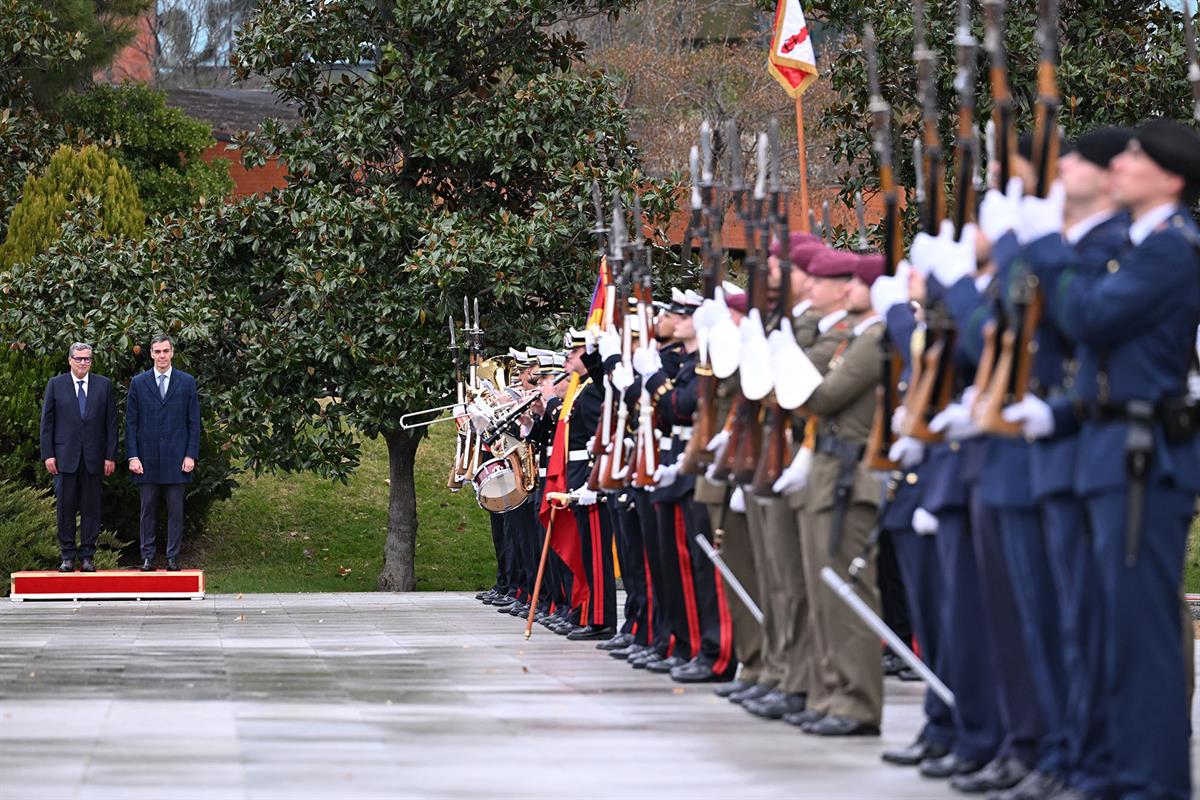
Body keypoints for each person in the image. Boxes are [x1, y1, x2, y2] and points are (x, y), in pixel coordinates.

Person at [39, 342, 117, 573]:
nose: (83, 363)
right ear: (70, 360)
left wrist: (110, 456)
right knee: (65, 508)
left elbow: (111, 424)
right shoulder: (56, 385)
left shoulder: (104, 385)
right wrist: (48, 454)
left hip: (94, 458)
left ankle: (87, 556)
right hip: (64, 458)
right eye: (78, 358)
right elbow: (47, 424)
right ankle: (67, 556)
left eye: (87, 359)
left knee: (91, 508)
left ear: (91, 361)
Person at [126, 334, 201, 571]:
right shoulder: (138, 383)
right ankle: (147, 556)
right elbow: (131, 423)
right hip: (145, 460)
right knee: (147, 511)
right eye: (157, 352)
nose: (162, 356)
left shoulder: (187, 382)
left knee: (175, 512)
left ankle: (172, 557)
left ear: (172, 353)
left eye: (165, 351)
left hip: (177, 459)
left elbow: (193, 422)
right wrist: (133, 456)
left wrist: (190, 455)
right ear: (150, 353)